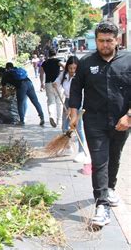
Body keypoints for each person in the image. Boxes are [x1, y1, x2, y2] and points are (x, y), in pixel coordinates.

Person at [69, 21, 130, 227]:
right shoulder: (86, 62)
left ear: (116, 40)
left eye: (109, 41)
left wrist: (129, 116)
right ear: (96, 41)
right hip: (94, 121)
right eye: (101, 41)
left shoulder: (128, 60)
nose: (105, 45)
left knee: (114, 157)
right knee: (99, 161)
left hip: (122, 121)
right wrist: (73, 111)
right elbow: (76, 88)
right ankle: (101, 205)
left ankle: (110, 189)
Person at [53, 56, 89, 163]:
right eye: (70, 68)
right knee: (65, 126)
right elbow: (57, 81)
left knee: (78, 127)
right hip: (68, 100)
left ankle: (82, 151)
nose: (72, 71)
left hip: (78, 102)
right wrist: (55, 83)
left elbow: (80, 94)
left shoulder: (80, 76)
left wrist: (71, 108)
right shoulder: (64, 75)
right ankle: (68, 147)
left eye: (74, 68)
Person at [40, 50, 64, 127]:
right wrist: (62, 73)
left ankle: (51, 115)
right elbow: (65, 66)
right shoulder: (57, 61)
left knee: (51, 101)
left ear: (48, 55)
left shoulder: (45, 63)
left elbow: (41, 73)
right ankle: (59, 120)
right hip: (57, 83)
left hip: (48, 83)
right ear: (55, 54)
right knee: (59, 102)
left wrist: (41, 83)